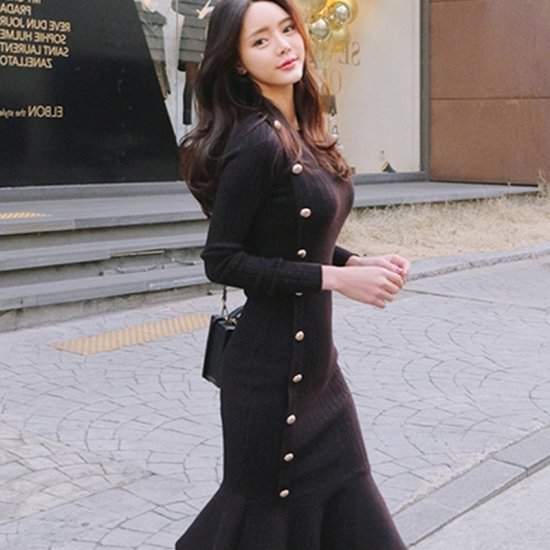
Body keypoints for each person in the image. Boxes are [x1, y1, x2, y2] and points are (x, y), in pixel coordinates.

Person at [175, 1, 411, 548]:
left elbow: (292, 236)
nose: (283, 45)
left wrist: (353, 262)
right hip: (266, 381)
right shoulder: (256, 141)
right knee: (265, 519)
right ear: (238, 62)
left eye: (287, 29)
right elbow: (222, 260)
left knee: (353, 508)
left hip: (317, 375)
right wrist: (335, 280)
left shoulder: (301, 128)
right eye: (260, 40)